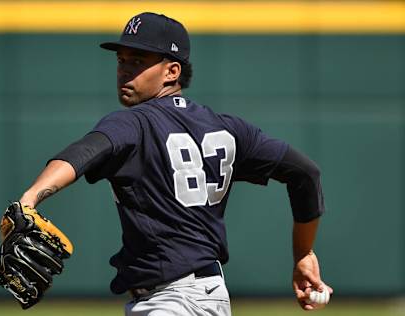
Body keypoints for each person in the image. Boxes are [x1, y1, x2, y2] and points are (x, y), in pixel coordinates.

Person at [19, 12, 333, 316]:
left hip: (173, 301)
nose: (125, 70)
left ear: (172, 72)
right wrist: (304, 253)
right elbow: (305, 173)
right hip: (206, 296)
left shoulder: (134, 124)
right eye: (122, 60)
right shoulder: (228, 128)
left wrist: (30, 198)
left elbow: (83, 153)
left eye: (139, 62)